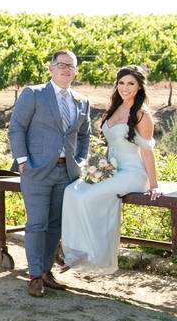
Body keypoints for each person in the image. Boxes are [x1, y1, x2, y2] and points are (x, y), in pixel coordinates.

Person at [62, 65, 162, 273]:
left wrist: (154, 185)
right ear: (116, 85)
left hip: (133, 173)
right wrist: (100, 168)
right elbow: (111, 147)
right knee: (72, 192)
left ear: (140, 87)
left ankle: (94, 254)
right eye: (121, 83)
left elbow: (146, 152)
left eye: (131, 83)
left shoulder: (142, 115)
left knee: (87, 197)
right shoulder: (115, 109)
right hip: (111, 170)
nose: (125, 87)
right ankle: (73, 252)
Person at [8, 49, 90, 297]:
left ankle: (46, 272)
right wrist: (23, 162)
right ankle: (34, 276)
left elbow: (84, 135)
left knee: (55, 225)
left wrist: (80, 161)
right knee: (37, 224)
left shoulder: (81, 101)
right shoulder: (33, 94)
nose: (67, 69)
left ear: (76, 71)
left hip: (67, 172)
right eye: (62, 65)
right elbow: (16, 128)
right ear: (51, 68)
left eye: (71, 66)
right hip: (36, 171)